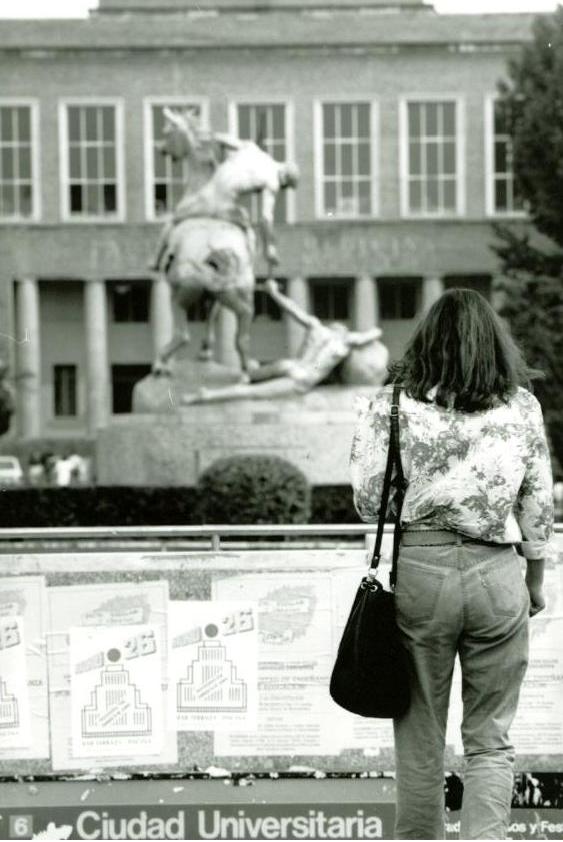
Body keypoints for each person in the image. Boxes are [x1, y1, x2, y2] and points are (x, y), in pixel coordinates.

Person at [349, 288, 554, 840]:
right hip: (497, 570)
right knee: (491, 736)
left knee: (420, 734)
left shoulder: (391, 404)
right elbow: (538, 506)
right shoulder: (522, 405)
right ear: (495, 343)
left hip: (422, 568)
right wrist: (534, 582)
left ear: (426, 340)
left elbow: (371, 503)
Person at [182, 278, 383, 404]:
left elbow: (292, 309)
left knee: (248, 380)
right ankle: (205, 396)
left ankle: (226, 383)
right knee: (250, 393)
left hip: (291, 365)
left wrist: (275, 293)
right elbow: (375, 332)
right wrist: (367, 338)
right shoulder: (345, 341)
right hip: (303, 378)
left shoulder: (317, 327)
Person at [151, 113, 299, 272]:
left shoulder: (252, 148)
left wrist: (208, 138)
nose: (281, 189)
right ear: (285, 178)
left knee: (175, 219)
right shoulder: (273, 181)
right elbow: (265, 218)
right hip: (224, 204)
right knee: (248, 233)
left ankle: (156, 258)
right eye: (285, 187)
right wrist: (270, 248)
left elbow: (222, 139)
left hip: (206, 193)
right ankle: (246, 269)